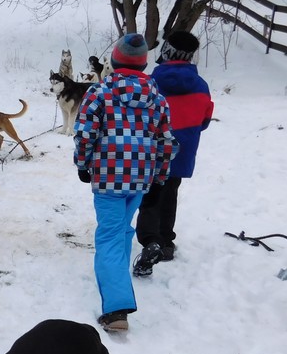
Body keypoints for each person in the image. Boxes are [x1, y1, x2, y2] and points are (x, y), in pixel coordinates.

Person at [73, 33, 174, 333]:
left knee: (109, 237)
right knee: (122, 230)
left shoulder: (99, 92)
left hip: (108, 177)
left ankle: (117, 309)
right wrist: (160, 177)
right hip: (141, 177)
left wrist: (82, 164)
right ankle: (118, 282)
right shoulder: (157, 98)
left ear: (115, 61)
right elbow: (165, 141)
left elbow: (85, 134)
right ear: (143, 65)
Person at [133, 30, 214, 275]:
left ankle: (151, 241)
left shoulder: (150, 83)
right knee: (170, 194)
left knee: (150, 196)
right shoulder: (201, 86)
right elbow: (205, 120)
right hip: (181, 151)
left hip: (152, 150)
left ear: (166, 51)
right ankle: (166, 242)